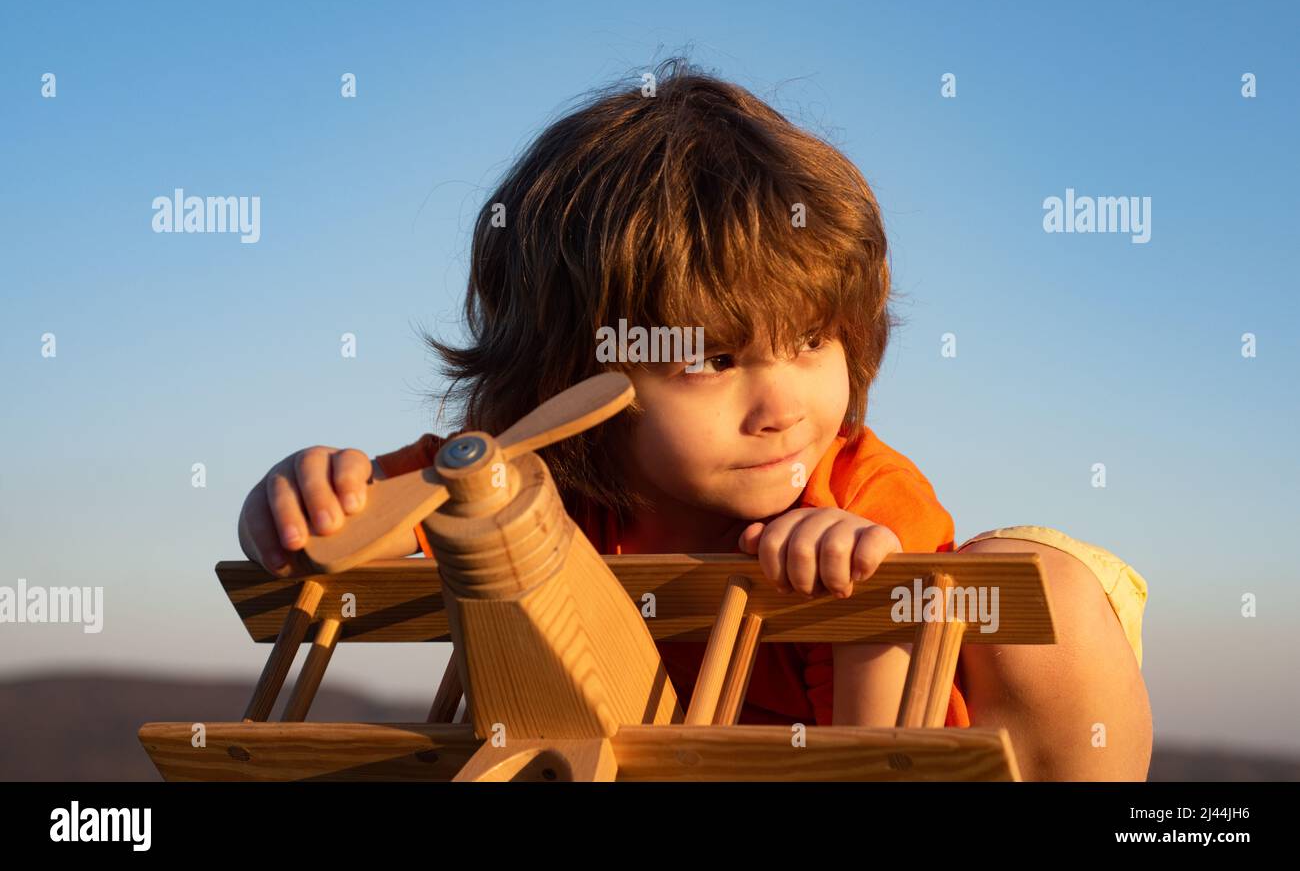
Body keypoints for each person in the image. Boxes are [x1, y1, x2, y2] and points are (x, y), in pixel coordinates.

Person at [238, 58, 1152, 780]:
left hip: (906, 754)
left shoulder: (861, 490)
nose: (784, 407)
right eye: (713, 361)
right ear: (571, 377)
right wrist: (297, 501)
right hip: (662, 755)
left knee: (1039, 584)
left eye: (811, 342)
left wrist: (859, 584)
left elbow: (882, 741)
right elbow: (364, 524)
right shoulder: (525, 477)